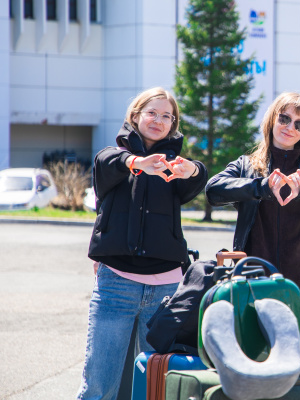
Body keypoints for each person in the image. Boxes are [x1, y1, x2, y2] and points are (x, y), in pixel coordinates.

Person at [205, 91, 300, 366]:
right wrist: (261, 187)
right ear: (272, 120)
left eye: (299, 124)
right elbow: (213, 190)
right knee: (257, 374)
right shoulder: (247, 165)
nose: (290, 127)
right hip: (255, 288)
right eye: (284, 118)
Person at [77, 87, 208, 400]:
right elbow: (107, 162)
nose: (159, 120)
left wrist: (192, 169)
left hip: (165, 289)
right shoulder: (113, 158)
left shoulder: (174, 166)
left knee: (155, 387)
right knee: (99, 386)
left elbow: (198, 178)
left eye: (167, 116)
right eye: (152, 113)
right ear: (135, 116)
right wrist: (137, 162)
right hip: (116, 284)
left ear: (173, 124)